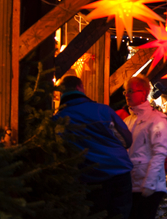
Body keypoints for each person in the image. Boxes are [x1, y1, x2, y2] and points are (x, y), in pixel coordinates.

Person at [54, 75, 133, 219]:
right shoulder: (102, 110)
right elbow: (126, 140)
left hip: (89, 177)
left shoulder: (58, 119)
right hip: (119, 172)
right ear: (80, 88)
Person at [123, 75, 167, 219]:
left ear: (143, 92)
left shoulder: (156, 119)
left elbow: (160, 152)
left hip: (148, 187)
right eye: (126, 91)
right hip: (133, 185)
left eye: (131, 91)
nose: (127, 95)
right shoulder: (128, 121)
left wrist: (149, 184)